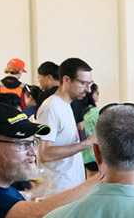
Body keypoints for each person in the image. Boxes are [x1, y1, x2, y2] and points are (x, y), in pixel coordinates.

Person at [28, 57, 94, 197]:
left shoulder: (66, 105)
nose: (88, 89)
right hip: (57, 191)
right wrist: (85, 144)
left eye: (90, 84)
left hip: (70, 188)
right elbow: (44, 154)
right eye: (83, 83)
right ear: (66, 80)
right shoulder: (51, 108)